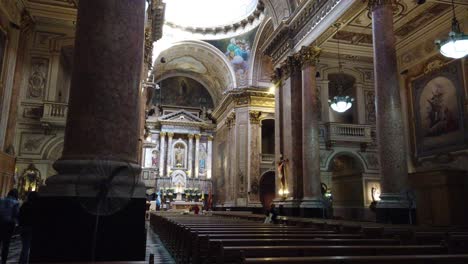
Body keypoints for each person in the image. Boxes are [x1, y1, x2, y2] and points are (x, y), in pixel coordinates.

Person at [0, 189, 19, 264]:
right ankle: (3, 261)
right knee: (6, 244)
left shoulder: (1, 200)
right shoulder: (16, 203)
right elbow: (16, 214)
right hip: (9, 225)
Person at [18, 191, 38, 264]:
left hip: (23, 227)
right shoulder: (37, 206)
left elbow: (19, 215)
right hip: (31, 228)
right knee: (28, 248)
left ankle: (22, 262)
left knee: (25, 247)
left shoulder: (24, 205)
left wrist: (20, 225)